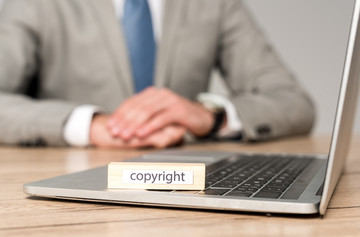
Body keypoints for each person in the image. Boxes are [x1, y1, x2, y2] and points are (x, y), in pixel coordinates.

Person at [0, 0, 315, 148]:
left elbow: (294, 102)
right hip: (61, 198)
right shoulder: (35, 4)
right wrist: (90, 125)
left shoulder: (216, 4)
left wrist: (211, 116)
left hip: (184, 191)